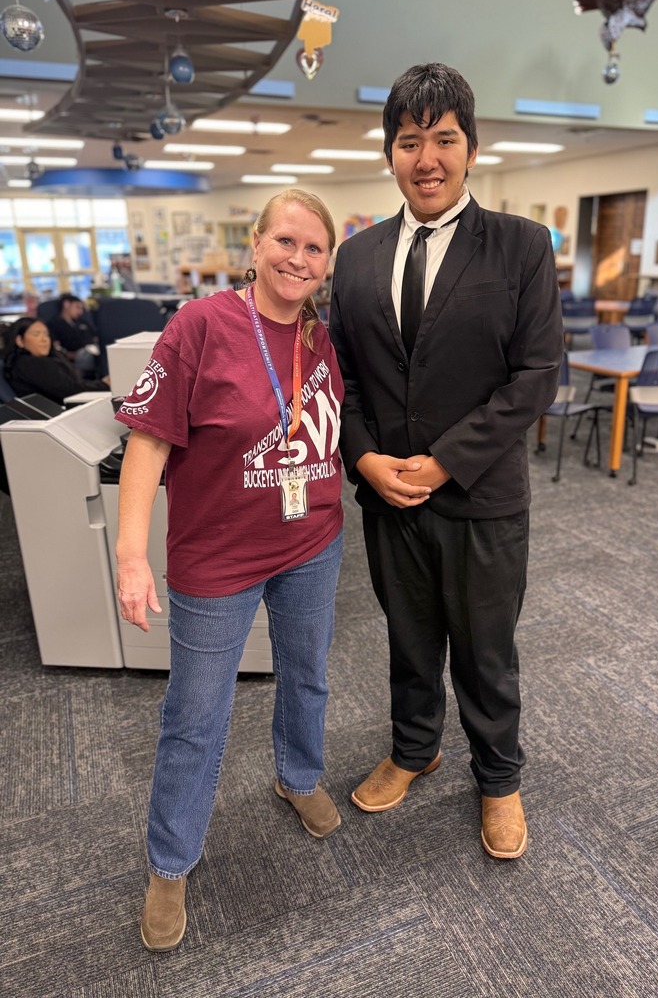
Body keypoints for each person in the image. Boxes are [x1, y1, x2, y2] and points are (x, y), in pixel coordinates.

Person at [329, 63, 563, 860]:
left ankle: (498, 778)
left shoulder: (522, 247)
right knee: (409, 636)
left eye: (443, 139)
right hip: (388, 496)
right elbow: (344, 380)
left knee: (487, 647)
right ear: (389, 153)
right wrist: (364, 459)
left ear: (471, 147)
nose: (425, 158)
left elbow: (536, 377)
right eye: (408, 141)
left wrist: (442, 462)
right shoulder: (356, 260)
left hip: (482, 495)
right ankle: (414, 747)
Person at [114, 188, 344, 952]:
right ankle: (170, 863)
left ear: (326, 263)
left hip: (312, 538)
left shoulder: (322, 335)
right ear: (254, 244)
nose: (297, 258)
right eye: (285, 241)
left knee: (307, 674)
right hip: (217, 558)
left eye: (314, 249)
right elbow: (147, 442)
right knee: (196, 718)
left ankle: (299, 777)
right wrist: (131, 553)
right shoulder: (201, 326)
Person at [2, 317, 110, 404]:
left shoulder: (39, 360)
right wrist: (103, 384)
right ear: (20, 341)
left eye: (46, 334)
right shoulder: (28, 364)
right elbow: (71, 391)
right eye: (36, 334)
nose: (44, 339)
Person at [49, 293, 101, 377]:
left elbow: (94, 337)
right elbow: (55, 347)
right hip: (72, 358)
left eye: (82, 309)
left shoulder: (83, 322)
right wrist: (70, 355)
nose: (80, 312)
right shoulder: (54, 324)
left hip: (92, 351)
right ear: (66, 304)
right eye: (77, 307)